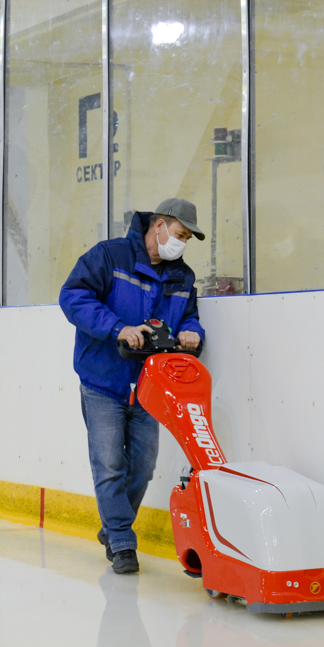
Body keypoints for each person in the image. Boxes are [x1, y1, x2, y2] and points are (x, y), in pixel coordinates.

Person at [59, 198, 206, 574]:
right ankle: (122, 541)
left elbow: (189, 317)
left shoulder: (182, 277)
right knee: (109, 464)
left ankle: (112, 527)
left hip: (147, 385)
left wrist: (191, 332)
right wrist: (117, 328)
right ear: (158, 225)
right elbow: (73, 295)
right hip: (103, 381)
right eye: (179, 234)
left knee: (142, 465)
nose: (182, 243)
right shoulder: (109, 256)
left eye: (187, 238)